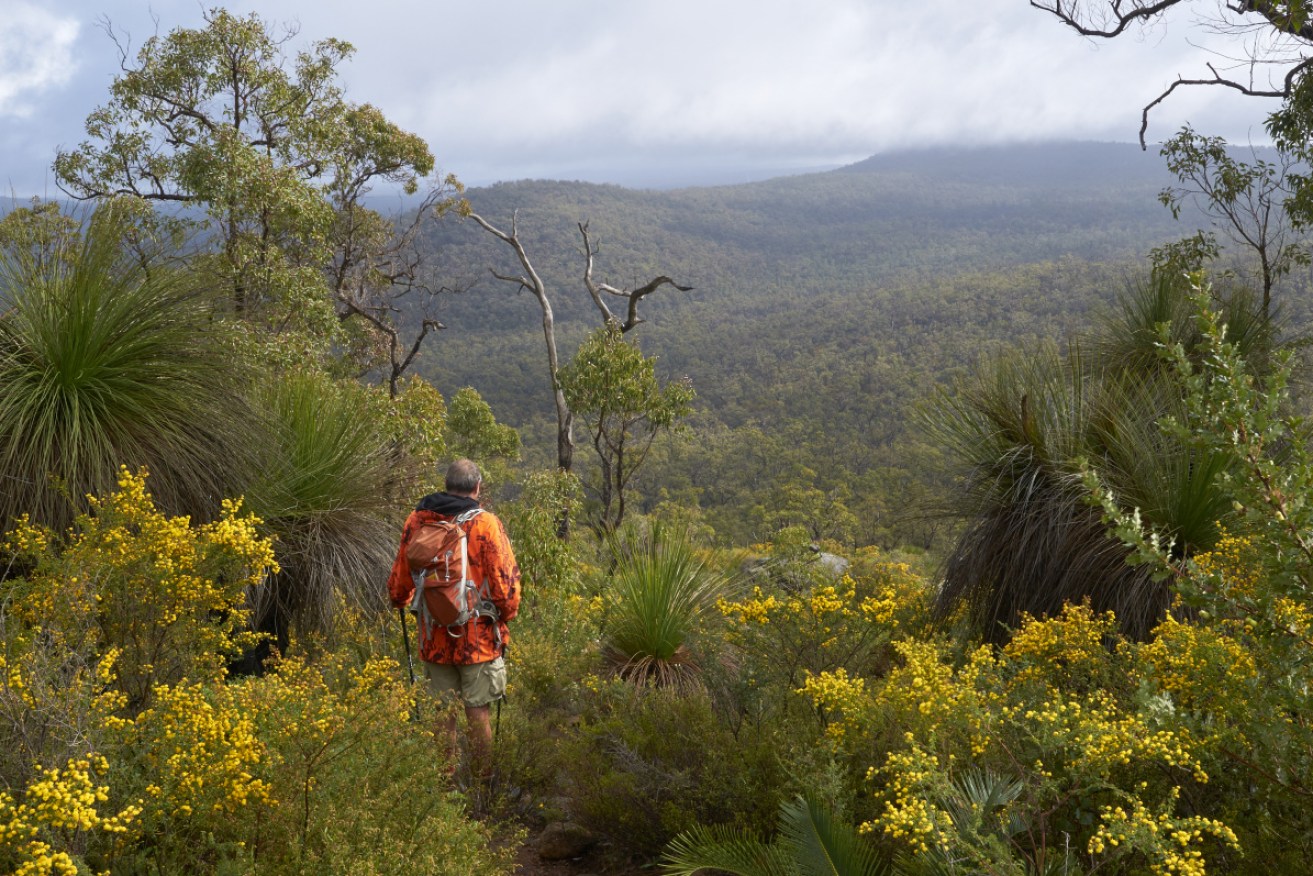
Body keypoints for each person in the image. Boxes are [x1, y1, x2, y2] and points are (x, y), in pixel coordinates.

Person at [388, 458, 520, 779]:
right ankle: (481, 783)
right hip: (478, 636)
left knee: (442, 711)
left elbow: (400, 582)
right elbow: (505, 586)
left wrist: (402, 600)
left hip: (433, 634)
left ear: (447, 485)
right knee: (478, 711)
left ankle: (444, 785)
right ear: (477, 488)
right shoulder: (486, 524)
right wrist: (505, 617)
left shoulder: (418, 520)